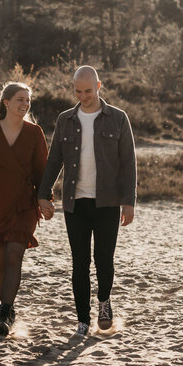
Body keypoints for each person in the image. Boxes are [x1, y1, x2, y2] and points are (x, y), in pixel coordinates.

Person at [38, 66, 137, 337]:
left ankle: (104, 303)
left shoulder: (118, 118)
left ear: (99, 86)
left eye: (88, 91)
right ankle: (82, 320)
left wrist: (129, 202)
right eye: (78, 91)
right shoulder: (65, 119)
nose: (83, 96)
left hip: (107, 202)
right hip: (75, 203)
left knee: (103, 259)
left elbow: (128, 162)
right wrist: (43, 193)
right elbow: (54, 159)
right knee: (79, 262)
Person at [0, 82, 49, 335]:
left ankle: (5, 310)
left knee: (15, 254)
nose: (25, 104)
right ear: (6, 102)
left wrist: (45, 198)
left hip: (24, 204)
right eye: (20, 99)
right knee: (0, 259)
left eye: (28, 100)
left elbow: (42, 170)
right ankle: (7, 308)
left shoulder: (35, 132)